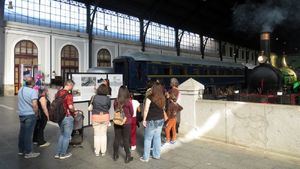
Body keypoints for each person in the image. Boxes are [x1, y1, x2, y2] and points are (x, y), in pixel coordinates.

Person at [140, 82, 166, 162]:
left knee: (148, 139)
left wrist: (144, 120)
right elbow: (163, 109)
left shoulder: (149, 97)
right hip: (160, 119)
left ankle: (146, 157)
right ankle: (157, 155)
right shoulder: (163, 97)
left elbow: (146, 110)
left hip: (151, 120)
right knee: (157, 137)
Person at [17, 77, 40, 158]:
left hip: (21, 114)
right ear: (33, 83)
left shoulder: (20, 89)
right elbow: (35, 105)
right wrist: (36, 114)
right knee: (28, 134)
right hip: (30, 115)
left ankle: (21, 150)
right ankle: (28, 152)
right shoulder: (33, 91)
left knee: (22, 133)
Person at [55, 79, 77, 160]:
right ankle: (63, 154)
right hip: (67, 117)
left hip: (59, 116)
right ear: (70, 85)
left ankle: (58, 153)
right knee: (67, 136)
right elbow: (70, 107)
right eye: (72, 86)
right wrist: (74, 111)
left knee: (62, 135)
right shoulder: (68, 94)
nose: (72, 88)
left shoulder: (58, 93)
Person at [113, 85, 134, 163]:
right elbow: (132, 112)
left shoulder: (116, 101)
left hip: (117, 122)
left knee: (117, 138)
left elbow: (115, 110)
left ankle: (115, 155)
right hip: (127, 122)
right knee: (125, 139)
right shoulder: (128, 102)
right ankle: (128, 156)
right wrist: (128, 117)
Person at [91, 84, 111, 157]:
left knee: (96, 135)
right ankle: (103, 151)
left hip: (95, 117)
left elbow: (92, 105)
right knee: (103, 135)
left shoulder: (94, 97)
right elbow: (108, 107)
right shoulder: (107, 98)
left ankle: (97, 152)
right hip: (105, 117)